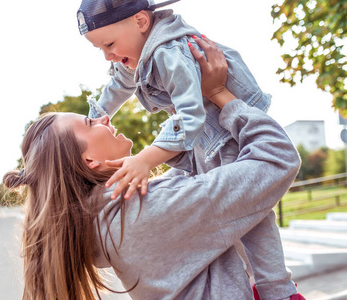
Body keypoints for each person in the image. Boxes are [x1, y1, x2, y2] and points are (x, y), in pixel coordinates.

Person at [3, 40, 303, 299]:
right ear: (89, 161)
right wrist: (221, 95)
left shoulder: (112, 213)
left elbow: (204, 172)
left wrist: (185, 107)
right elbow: (276, 159)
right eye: (89, 123)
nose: (104, 119)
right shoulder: (143, 211)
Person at [76, 1, 304, 299]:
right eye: (101, 50)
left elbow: (190, 116)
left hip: (226, 132)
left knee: (252, 215)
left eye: (110, 44)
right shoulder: (137, 52)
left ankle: (278, 289)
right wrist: (97, 116)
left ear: (141, 22)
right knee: (237, 213)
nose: (108, 56)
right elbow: (119, 83)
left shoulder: (168, 53)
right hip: (206, 137)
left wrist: (146, 158)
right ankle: (259, 284)